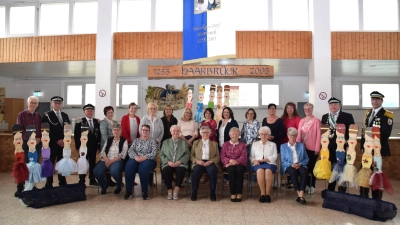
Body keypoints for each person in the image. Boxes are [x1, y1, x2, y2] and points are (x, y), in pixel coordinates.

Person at [360, 91, 393, 199]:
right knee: (364, 171)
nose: (374, 101)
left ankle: (376, 198)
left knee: (376, 173)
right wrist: (362, 146)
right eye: (373, 99)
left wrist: (375, 147)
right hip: (366, 149)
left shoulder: (386, 114)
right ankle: (363, 195)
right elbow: (364, 131)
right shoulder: (368, 113)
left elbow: (385, 134)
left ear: (381, 101)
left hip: (377, 149)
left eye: (377, 99)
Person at [321, 97, 354, 193]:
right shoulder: (324, 117)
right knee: (331, 168)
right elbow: (324, 133)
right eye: (331, 105)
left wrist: (348, 145)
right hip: (329, 148)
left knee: (342, 168)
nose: (333, 106)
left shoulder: (347, 116)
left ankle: (342, 190)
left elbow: (351, 133)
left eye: (335, 104)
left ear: (339, 106)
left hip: (342, 147)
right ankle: (330, 190)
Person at [15, 96, 42, 197]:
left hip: (37, 145)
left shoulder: (38, 116)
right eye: (31, 103)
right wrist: (30, 139)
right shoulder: (21, 115)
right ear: (27, 103)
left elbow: (40, 129)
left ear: (37, 105)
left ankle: (31, 186)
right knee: (23, 166)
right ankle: (20, 187)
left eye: (35, 103)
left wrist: (38, 138)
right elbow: (19, 130)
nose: (33, 105)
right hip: (25, 145)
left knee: (33, 166)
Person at [42, 96, 70, 188]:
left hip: (63, 145)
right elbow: (46, 131)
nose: (57, 105)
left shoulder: (65, 115)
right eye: (55, 103)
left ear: (61, 104)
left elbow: (68, 129)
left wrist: (64, 140)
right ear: (52, 104)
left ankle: (62, 182)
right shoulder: (47, 115)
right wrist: (57, 140)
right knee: (50, 164)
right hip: (52, 144)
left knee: (62, 163)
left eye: (59, 103)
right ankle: (49, 184)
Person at [124, 125, 158, 200]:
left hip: (149, 159)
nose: (145, 131)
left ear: (149, 132)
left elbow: (155, 153)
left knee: (143, 168)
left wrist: (144, 157)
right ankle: (129, 190)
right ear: (141, 131)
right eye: (143, 130)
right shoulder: (136, 140)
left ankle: (144, 191)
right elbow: (130, 150)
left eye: (147, 130)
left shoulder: (153, 141)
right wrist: (136, 157)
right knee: (129, 167)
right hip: (136, 158)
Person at [94, 123, 128, 195]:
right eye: (114, 130)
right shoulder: (108, 140)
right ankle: (104, 185)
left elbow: (123, 154)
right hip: (106, 160)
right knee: (96, 171)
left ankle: (118, 186)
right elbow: (102, 152)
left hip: (117, 160)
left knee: (114, 171)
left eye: (118, 130)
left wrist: (111, 161)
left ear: (120, 131)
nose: (116, 131)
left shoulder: (124, 140)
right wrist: (107, 160)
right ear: (112, 131)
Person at [296, 103, 321, 194]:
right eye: (305, 109)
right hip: (302, 147)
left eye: (309, 109)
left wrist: (317, 148)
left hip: (312, 148)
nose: (307, 110)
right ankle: (306, 185)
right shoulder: (302, 121)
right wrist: (297, 146)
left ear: (312, 109)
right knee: (304, 167)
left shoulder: (316, 121)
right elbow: (299, 134)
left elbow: (319, 135)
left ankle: (312, 185)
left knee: (311, 167)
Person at [280, 127, 309, 205]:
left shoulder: (301, 145)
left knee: (304, 172)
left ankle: (301, 194)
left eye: (294, 135)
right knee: (293, 173)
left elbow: (306, 158)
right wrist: (292, 165)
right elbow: (283, 161)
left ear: (296, 136)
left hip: (300, 164)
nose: (292, 137)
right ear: (288, 136)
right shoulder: (283, 146)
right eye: (291, 135)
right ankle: (299, 194)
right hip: (288, 166)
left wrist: (300, 164)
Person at [191, 126, 220, 201]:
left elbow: (217, 156)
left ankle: (212, 191)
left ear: (210, 133)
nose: (205, 134)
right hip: (199, 162)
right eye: (203, 132)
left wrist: (211, 161)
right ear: (200, 134)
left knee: (212, 171)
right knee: (196, 171)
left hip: (210, 162)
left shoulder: (214, 144)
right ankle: (194, 191)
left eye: (207, 132)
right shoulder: (195, 143)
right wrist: (197, 161)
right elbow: (191, 155)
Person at [160, 125, 189, 200]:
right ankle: (169, 190)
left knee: (180, 170)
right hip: (168, 163)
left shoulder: (184, 142)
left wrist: (180, 161)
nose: (176, 132)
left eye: (177, 131)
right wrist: (168, 162)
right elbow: (162, 154)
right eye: (174, 130)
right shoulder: (165, 142)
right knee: (166, 170)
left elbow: (187, 154)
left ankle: (176, 190)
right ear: (171, 132)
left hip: (180, 163)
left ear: (179, 132)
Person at [74, 104, 101, 186]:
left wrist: (98, 146)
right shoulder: (80, 121)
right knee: (82, 163)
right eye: (87, 110)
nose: (89, 112)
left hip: (93, 147)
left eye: (91, 110)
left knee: (92, 163)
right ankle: (81, 181)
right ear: (84, 112)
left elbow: (98, 134)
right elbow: (76, 135)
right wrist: (78, 147)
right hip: (83, 147)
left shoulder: (96, 122)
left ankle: (92, 179)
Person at [139, 102, 164, 186]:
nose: (152, 110)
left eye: (154, 108)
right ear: (148, 109)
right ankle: (146, 180)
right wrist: (147, 140)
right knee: (146, 160)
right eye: (151, 108)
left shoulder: (159, 120)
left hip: (156, 144)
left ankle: (150, 181)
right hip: (145, 143)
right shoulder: (144, 119)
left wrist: (157, 140)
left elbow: (162, 132)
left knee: (152, 160)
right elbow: (141, 130)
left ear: (156, 110)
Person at [250, 126, 277, 203]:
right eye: (262, 134)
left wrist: (264, 160)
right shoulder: (255, 144)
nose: (263, 136)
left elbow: (275, 156)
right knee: (260, 171)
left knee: (268, 171)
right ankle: (262, 194)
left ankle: (268, 194)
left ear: (269, 135)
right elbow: (251, 157)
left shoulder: (273, 144)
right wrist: (254, 161)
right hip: (258, 164)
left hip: (270, 163)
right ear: (259, 135)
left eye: (265, 134)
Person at [220, 127, 247, 202]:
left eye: (236, 134)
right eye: (233, 134)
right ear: (230, 135)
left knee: (239, 170)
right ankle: (233, 192)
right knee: (231, 170)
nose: (234, 135)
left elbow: (244, 156)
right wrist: (230, 160)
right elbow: (222, 156)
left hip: (240, 163)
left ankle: (239, 192)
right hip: (228, 164)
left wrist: (236, 161)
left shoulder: (242, 145)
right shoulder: (225, 145)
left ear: (239, 135)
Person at [100, 106, 118, 187]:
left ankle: (110, 180)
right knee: (107, 162)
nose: (110, 114)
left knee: (112, 162)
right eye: (108, 113)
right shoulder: (103, 123)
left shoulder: (115, 122)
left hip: (115, 147)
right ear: (105, 114)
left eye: (111, 112)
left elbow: (118, 133)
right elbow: (104, 137)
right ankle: (107, 180)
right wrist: (112, 144)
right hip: (106, 147)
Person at [241, 108, 260, 175]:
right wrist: (242, 143)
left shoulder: (256, 123)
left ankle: (253, 178)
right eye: (248, 113)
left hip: (253, 144)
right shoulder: (245, 123)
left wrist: (248, 143)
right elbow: (242, 133)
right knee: (246, 159)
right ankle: (248, 177)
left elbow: (256, 134)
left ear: (254, 115)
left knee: (252, 159)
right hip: (245, 144)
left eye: (252, 113)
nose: (250, 115)